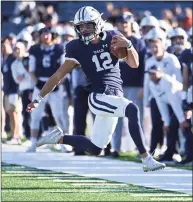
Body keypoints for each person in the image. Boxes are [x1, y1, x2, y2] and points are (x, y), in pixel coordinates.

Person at [26, 6, 165, 172]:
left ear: (98, 24)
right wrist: (38, 98)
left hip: (114, 96)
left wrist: (129, 45)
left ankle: (58, 138)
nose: (84, 30)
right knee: (132, 109)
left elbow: (134, 64)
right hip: (99, 96)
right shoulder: (75, 48)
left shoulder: (113, 38)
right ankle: (146, 159)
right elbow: (57, 76)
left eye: (88, 25)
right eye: (81, 26)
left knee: (96, 148)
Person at [144, 27, 182, 155]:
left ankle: (175, 150)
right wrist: (146, 99)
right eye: (152, 46)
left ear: (163, 45)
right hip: (157, 96)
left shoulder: (172, 59)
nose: (154, 49)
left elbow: (179, 80)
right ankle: (154, 150)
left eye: (157, 46)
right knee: (157, 124)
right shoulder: (149, 62)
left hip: (173, 96)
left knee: (173, 124)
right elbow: (147, 83)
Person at [27, 27, 66, 152]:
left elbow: (64, 70)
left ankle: (63, 143)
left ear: (53, 35)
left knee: (59, 116)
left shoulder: (60, 49)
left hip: (55, 83)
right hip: (39, 84)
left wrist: (58, 83)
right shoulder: (34, 49)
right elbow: (31, 70)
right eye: (43, 33)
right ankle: (33, 143)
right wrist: (38, 84)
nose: (45, 36)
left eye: (48, 33)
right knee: (35, 115)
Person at [112, 13, 145, 157]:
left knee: (136, 118)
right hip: (116, 86)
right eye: (121, 22)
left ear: (131, 23)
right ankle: (116, 148)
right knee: (116, 119)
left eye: (126, 22)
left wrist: (143, 86)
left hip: (134, 85)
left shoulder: (138, 42)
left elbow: (143, 66)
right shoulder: (112, 41)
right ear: (117, 24)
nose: (124, 24)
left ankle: (141, 150)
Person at [147, 65, 193, 165]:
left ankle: (190, 156)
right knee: (170, 128)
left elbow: (175, 102)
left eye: (154, 73)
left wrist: (182, 120)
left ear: (160, 73)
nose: (152, 76)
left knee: (185, 129)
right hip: (177, 107)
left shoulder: (168, 82)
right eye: (150, 74)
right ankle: (170, 154)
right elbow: (161, 103)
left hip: (185, 105)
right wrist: (166, 122)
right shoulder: (152, 84)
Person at [11, 41, 34, 139]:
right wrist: (25, 75)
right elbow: (17, 79)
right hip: (24, 90)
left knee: (38, 113)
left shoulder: (30, 59)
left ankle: (40, 133)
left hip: (34, 89)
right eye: (15, 49)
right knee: (26, 113)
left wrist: (24, 75)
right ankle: (28, 135)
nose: (17, 51)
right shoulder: (14, 64)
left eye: (19, 49)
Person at [1, 38, 21, 144]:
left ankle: (16, 136)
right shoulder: (5, 59)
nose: (3, 48)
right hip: (7, 90)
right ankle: (13, 134)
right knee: (10, 113)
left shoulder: (14, 58)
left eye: (5, 46)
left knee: (14, 113)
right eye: (2, 46)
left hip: (14, 90)